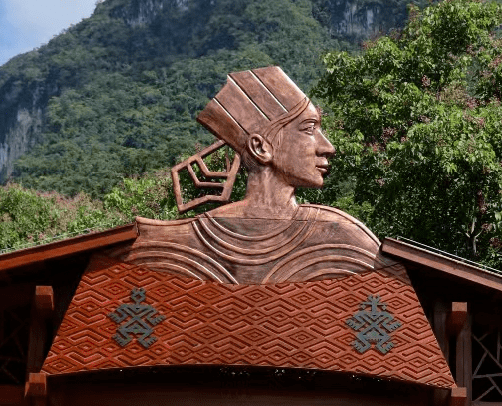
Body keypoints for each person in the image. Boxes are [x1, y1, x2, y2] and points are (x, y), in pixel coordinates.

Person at [125, 66, 383, 284]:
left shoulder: (342, 237)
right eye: (309, 129)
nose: (328, 146)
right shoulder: (177, 240)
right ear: (261, 147)